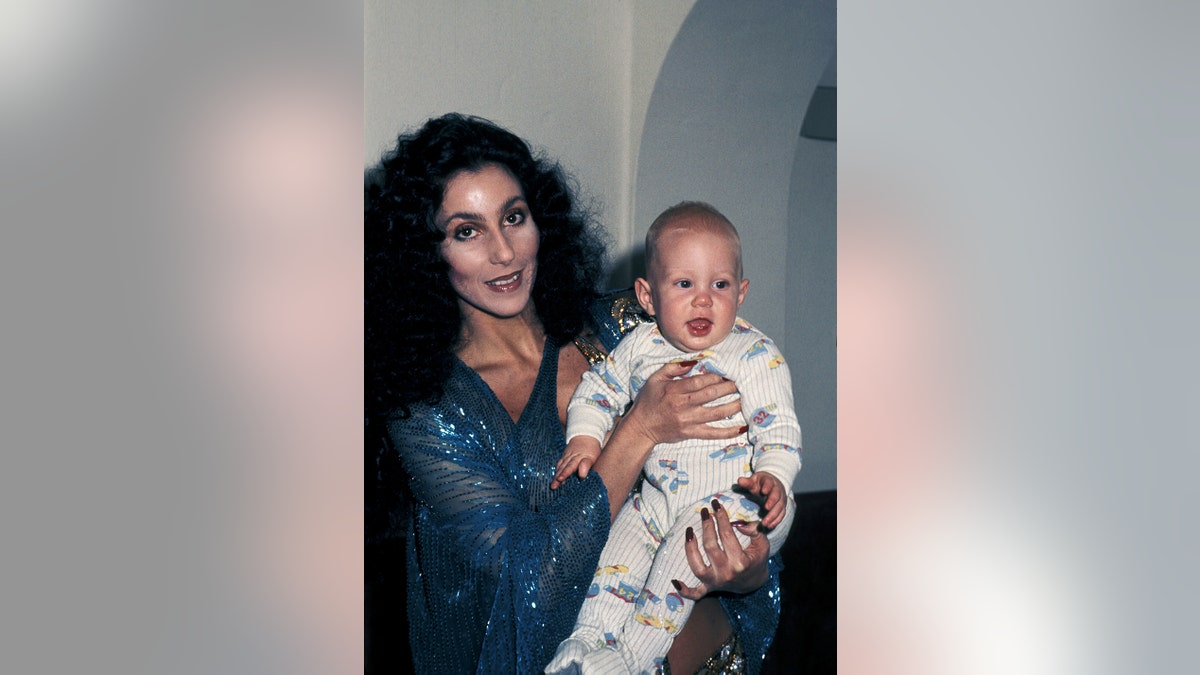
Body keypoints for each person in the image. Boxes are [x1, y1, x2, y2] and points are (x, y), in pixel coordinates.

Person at [366, 114, 785, 674]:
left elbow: (739, 462)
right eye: (467, 230)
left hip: (714, 657)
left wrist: (749, 567)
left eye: (514, 217)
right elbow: (530, 579)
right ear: (425, 252)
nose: (504, 252)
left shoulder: (630, 324)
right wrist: (638, 430)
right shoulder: (428, 410)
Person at [546, 203, 802, 674]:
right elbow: (597, 391)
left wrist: (773, 477)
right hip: (658, 497)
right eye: (685, 284)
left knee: (674, 572)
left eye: (719, 285)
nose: (703, 300)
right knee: (615, 555)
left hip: (736, 503)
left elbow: (780, 428)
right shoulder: (640, 346)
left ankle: (629, 660)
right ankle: (585, 643)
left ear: (741, 293)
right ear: (647, 295)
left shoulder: (752, 353)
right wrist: (584, 439)